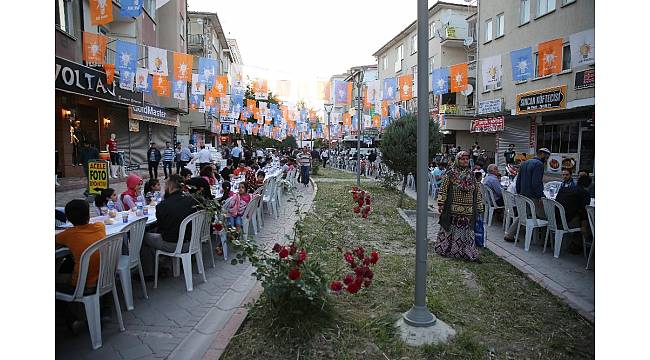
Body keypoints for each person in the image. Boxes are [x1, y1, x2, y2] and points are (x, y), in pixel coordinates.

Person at [55, 199, 109, 330]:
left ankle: (73, 318)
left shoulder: (69, 234)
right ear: (89, 215)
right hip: (103, 277)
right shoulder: (100, 227)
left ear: (68, 218)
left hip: (83, 284)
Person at [141, 175, 200, 277]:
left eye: (165, 185)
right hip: (192, 241)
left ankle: (149, 272)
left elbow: (161, 228)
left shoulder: (162, 206)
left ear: (170, 187)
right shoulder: (192, 200)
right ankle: (164, 263)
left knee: (143, 237)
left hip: (174, 244)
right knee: (164, 231)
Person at [434, 151, 484, 262]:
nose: (465, 161)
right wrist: (441, 203)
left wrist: (479, 206)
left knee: (467, 231)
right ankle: (447, 249)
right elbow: (443, 189)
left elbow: (477, 191)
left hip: (468, 209)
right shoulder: (450, 174)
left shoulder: (471, 175)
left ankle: (466, 252)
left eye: (466, 159)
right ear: (458, 160)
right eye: (462, 159)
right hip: (453, 208)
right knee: (450, 229)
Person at [504, 148, 551, 241]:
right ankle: (545, 241)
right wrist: (541, 196)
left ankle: (509, 234)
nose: (547, 159)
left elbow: (518, 180)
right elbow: (536, 183)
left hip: (523, 195)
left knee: (522, 215)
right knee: (546, 216)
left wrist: (519, 192)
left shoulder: (525, 163)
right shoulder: (539, 165)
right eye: (546, 156)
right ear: (541, 154)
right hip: (533, 196)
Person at [555, 174, 592, 254]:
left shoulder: (564, 189)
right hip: (567, 222)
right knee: (589, 222)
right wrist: (584, 225)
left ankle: (575, 243)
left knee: (580, 218)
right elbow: (584, 211)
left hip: (555, 220)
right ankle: (581, 246)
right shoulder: (585, 193)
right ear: (588, 185)